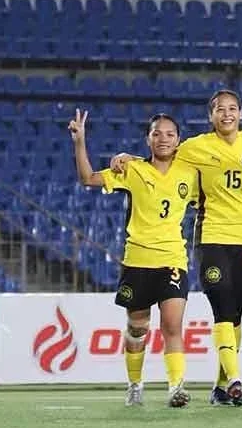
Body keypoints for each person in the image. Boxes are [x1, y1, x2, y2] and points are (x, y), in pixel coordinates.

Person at [111, 89, 242, 406]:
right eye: (219, 109)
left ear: (241, 114)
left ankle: (221, 386)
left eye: (232, 109)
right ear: (210, 116)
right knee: (222, 312)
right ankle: (237, 381)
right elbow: (160, 156)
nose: (226, 114)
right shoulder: (194, 147)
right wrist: (125, 159)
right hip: (212, 235)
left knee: (236, 315)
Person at [70, 109, 197, 407]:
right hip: (138, 261)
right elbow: (88, 179)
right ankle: (135, 385)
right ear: (148, 139)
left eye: (169, 134)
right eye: (157, 133)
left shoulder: (190, 174)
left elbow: (212, 199)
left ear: (178, 140)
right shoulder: (133, 170)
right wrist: (80, 141)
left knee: (172, 325)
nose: (163, 139)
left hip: (172, 260)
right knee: (138, 328)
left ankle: (176, 387)